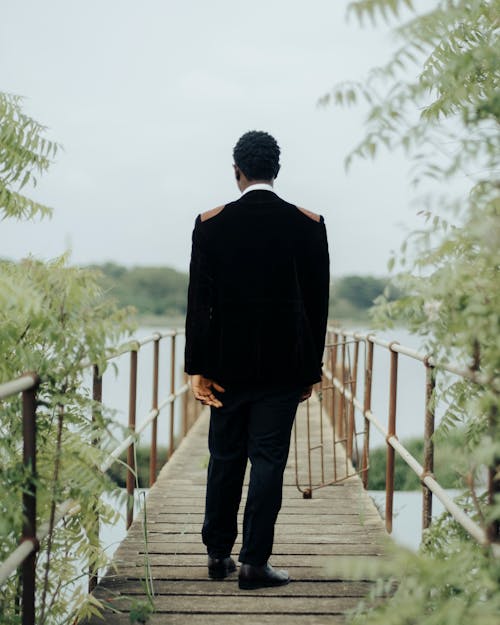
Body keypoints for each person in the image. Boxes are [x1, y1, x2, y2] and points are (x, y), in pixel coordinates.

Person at [184, 130, 329, 589]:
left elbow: (199, 302)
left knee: (224, 456)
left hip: (226, 368)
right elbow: (316, 304)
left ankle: (216, 554)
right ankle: (254, 563)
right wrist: (311, 369)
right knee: (268, 461)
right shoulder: (309, 224)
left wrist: (196, 369)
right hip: (284, 369)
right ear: (277, 171)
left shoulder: (210, 223)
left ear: (237, 172)